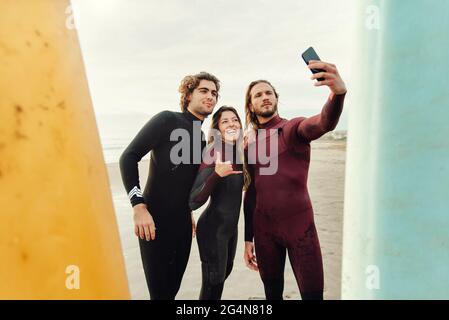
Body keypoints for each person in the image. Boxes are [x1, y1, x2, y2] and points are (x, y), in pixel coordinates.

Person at [243, 60, 347, 300]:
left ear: (276, 99)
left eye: (269, 92)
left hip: (300, 228)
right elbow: (252, 191)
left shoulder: (291, 129)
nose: (265, 97)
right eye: (258, 95)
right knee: (272, 294)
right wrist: (248, 237)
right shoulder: (249, 144)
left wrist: (337, 94)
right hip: (263, 231)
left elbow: (323, 123)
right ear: (251, 104)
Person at [119, 72, 220, 300]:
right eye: (203, 91)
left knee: (171, 292)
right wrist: (138, 206)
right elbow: (128, 156)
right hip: (153, 223)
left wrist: (188, 210)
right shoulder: (167, 120)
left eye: (214, 93)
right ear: (188, 96)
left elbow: (186, 180)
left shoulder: (201, 137)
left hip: (183, 226)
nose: (210, 97)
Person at [189, 106, 245, 300]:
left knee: (221, 279)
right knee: (213, 286)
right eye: (225, 121)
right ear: (217, 129)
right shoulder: (214, 152)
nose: (232, 124)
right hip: (213, 229)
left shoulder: (239, 152)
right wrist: (216, 175)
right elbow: (193, 201)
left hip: (230, 229)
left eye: (235, 119)